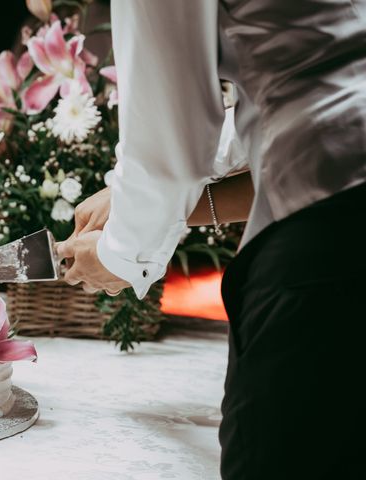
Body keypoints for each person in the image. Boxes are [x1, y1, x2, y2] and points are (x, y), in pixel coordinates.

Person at [58, 1, 366, 478]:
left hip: (333, 230)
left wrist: (117, 255)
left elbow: (171, 136)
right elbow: (313, 65)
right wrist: (124, 191)